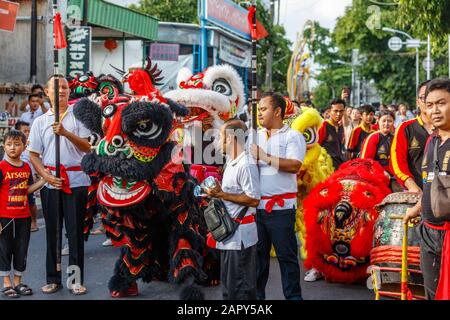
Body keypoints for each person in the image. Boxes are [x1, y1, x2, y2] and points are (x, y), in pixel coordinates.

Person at [28, 75, 92, 295]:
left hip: (76, 182)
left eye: (64, 87)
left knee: (74, 234)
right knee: (52, 234)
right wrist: (45, 175)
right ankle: (53, 279)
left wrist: (65, 132)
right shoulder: (40, 121)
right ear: (47, 92)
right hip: (51, 183)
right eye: (56, 87)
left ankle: (75, 279)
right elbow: (34, 154)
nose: (61, 91)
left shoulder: (80, 117)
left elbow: (87, 147)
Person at [250, 92, 305, 300]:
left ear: (278, 111)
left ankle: (293, 298)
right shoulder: (255, 135)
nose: (260, 113)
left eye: (263, 109)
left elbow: (294, 166)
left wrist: (263, 156)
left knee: (287, 258)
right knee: (258, 260)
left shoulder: (293, 136)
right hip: (258, 209)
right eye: (259, 110)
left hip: (281, 210)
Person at [403, 77, 450, 300]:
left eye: (441, 103)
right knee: (432, 294)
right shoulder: (432, 141)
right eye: (429, 105)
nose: (435, 110)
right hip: (429, 231)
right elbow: (430, 183)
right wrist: (417, 208)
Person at [204, 119, 260, 300]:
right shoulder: (231, 161)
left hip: (240, 238)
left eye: (220, 137)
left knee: (240, 289)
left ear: (231, 138)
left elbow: (253, 199)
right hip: (230, 236)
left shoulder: (246, 164)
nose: (218, 142)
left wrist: (221, 195)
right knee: (229, 288)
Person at [0, 130, 45, 298]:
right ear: (4, 146)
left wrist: (44, 179)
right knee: (4, 250)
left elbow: (27, 190)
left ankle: (18, 282)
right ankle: (6, 283)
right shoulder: (1, 167)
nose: (13, 148)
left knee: (21, 249)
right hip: (4, 217)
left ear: (24, 146)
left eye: (17, 144)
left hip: (23, 216)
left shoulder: (26, 167)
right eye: (9, 144)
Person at [390, 80, 434, 193]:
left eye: (432, 96)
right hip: (415, 191)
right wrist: (411, 185)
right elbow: (397, 162)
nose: (428, 101)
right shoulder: (405, 128)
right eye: (424, 97)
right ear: (418, 102)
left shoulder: (446, 128)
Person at [360, 111, 399, 190]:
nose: (386, 124)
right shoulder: (373, 137)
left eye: (390, 121)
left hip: (393, 177)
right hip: (376, 176)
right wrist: (381, 172)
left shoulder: (395, 138)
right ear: (378, 121)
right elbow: (365, 162)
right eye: (384, 121)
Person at [14, 121, 38, 232]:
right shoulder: (12, 145)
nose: (27, 133)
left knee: (30, 201)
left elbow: (37, 161)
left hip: (29, 179)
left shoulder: (32, 145)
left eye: (29, 131)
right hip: (14, 178)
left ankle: (34, 221)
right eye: (25, 131)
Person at [318, 98, 346, 170]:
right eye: (335, 111)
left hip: (339, 165)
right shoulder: (323, 126)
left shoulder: (340, 127)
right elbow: (316, 147)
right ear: (329, 111)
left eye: (341, 111)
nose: (338, 114)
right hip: (326, 167)